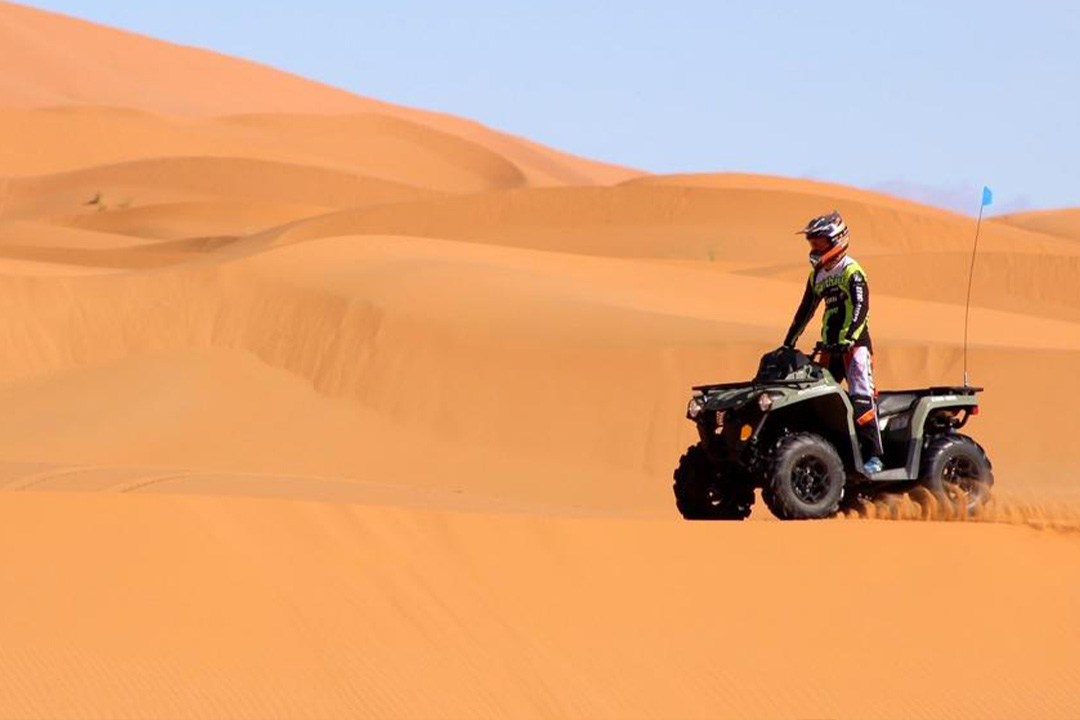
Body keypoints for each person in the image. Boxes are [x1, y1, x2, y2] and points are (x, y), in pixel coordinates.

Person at [783, 211, 884, 475]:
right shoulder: (817, 275)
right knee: (819, 400)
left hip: (855, 347)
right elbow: (805, 311)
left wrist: (849, 337)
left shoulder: (851, 270)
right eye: (812, 243)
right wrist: (788, 342)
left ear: (837, 240)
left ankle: (875, 456)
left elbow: (861, 307)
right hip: (828, 349)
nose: (815, 248)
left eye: (820, 243)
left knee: (861, 398)